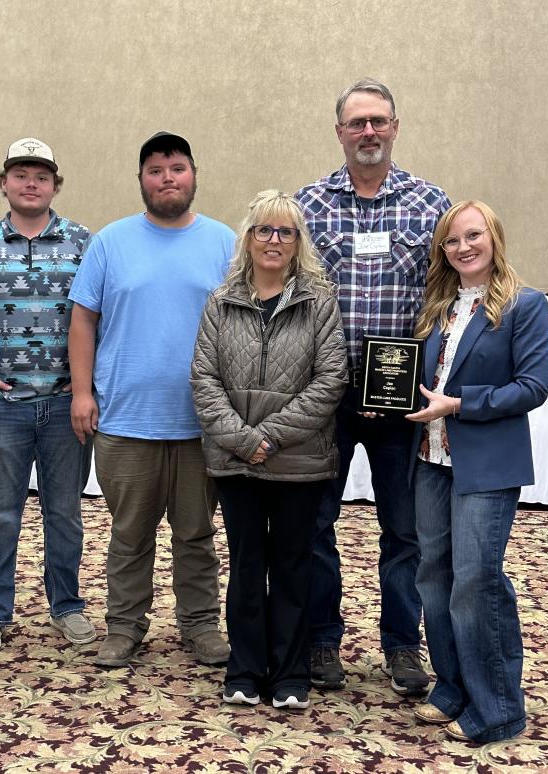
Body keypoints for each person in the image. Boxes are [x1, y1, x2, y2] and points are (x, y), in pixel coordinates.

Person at [295, 78, 451, 694]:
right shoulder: (309, 205)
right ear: (339, 131)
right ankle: (323, 641)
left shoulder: (431, 203)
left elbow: (446, 294)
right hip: (325, 394)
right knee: (316, 525)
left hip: (400, 398)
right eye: (357, 122)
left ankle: (402, 646)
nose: (368, 131)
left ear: (394, 127)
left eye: (378, 121)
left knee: (404, 529)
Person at [68, 131, 234, 667]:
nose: (168, 178)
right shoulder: (110, 242)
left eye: (178, 168)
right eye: (157, 170)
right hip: (125, 419)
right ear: (141, 179)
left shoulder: (225, 243)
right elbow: (83, 320)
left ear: (194, 174)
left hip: (202, 423)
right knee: (129, 535)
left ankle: (200, 626)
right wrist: (81, 392)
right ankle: (124, 625)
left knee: (196, 534)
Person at [191, 190, 347, 709]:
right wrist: (242, 440)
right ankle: (245, 670)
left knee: (293, 565)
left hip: (299, 463)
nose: (273, 240)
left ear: (298, 242)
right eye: (264, 230)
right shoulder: (221, 301)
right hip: (236, 464)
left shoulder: (319, 303)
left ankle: (290, 676)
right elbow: (204, 379)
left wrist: (270, 436)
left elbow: (330, 381)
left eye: (285, 232)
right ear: (249, 238)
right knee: (246, 563)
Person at [405, 200, 548, 743]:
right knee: (433, 578)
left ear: (494, 236)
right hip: (430, 461)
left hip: (485, 466)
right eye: (452, 240)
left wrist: (460, 405)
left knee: (476, 583)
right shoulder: (438, 305)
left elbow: (532, 388)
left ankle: (498, 709)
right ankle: (451, 687)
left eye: (474, 235)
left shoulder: (526, 305)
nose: (463, 247)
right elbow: (420, 380)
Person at [0, 137, 95, 653]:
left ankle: (68, 605)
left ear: (55, 184)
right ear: (4, 181)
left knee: (65, 513)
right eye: (21, 174)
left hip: (63, 405)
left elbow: (100, 316)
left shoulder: (83, 244)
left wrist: (86, 385)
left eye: (42, 176)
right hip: (0, 406)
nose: (31, 183)